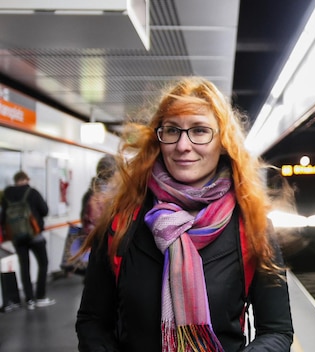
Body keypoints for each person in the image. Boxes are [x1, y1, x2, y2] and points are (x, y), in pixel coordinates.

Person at [75, 77, 294, 351]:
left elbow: (277, 330)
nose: (182, 145)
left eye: (200, 131)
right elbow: (93, 321)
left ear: (223, 142)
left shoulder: (251, 226)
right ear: (159, 138)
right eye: (172, 130)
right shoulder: (121, 222)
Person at [0, 170, 55, 310]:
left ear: (15, 180)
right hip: (34, 235)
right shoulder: (32, 192)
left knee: (25, 266)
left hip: (17, 237)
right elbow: (45, 210)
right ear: (26, 179)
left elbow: (3, 216)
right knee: (43, 263)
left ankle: (29, 299)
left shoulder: (7, 195)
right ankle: (40, 297)